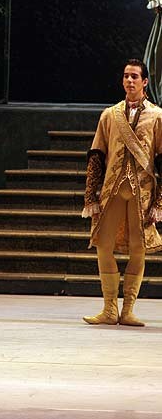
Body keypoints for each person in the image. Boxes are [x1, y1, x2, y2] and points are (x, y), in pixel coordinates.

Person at [82, 59, 162, 327]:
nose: (129, 80)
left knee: (138, 249)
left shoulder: (157, 116)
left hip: (143, 192)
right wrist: (90, 195)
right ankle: (109, 308)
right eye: (126, 76)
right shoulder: (109, 114)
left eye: (135, 76)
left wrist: (160, 202)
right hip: (112, 189)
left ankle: (128, 310)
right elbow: (96, 155)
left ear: (145, 81)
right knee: (103, 246)